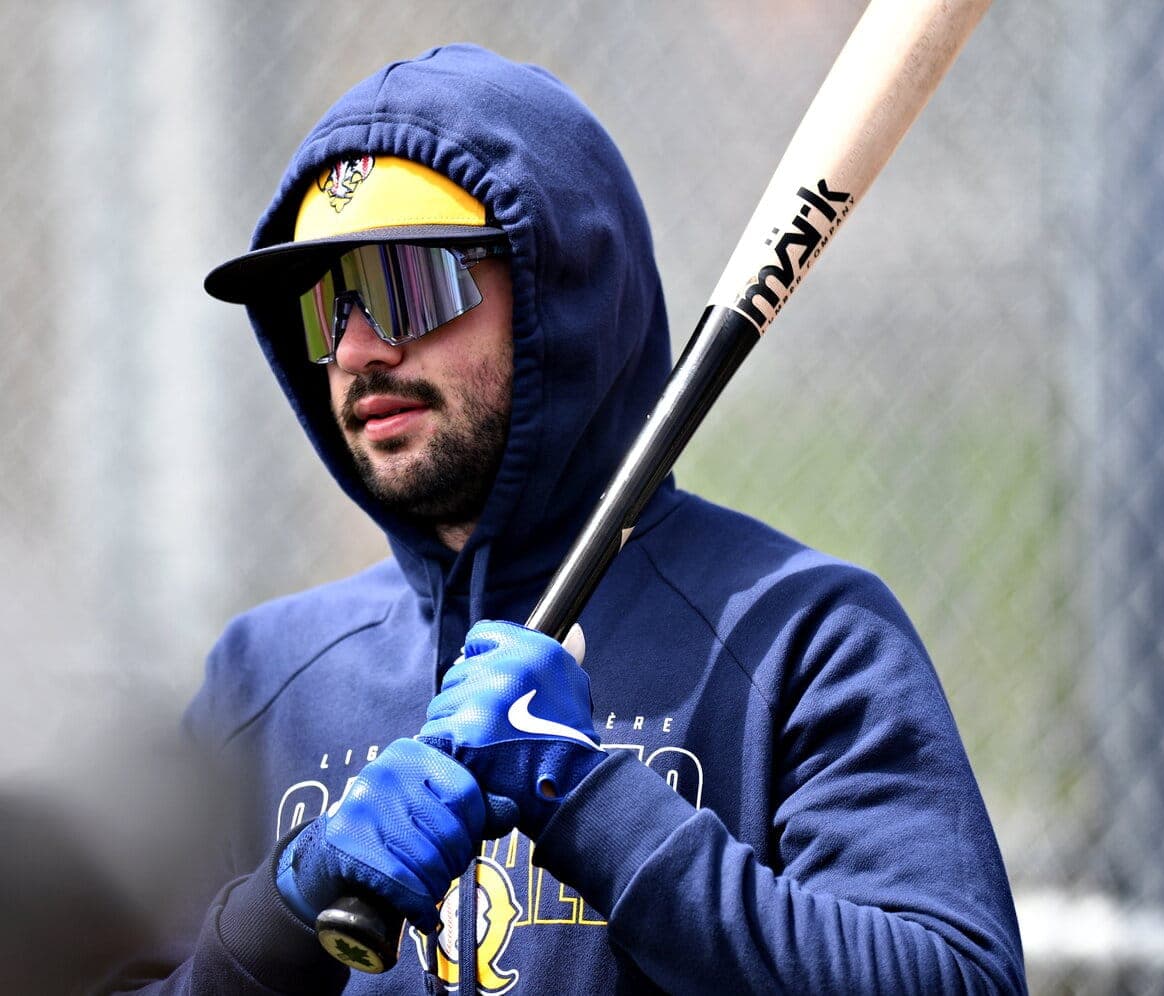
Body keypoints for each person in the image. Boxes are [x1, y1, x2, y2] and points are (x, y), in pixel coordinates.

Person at [113, 44, 1026, 994]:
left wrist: (589, 800)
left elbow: (957, 978)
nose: (355, 348)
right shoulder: (265, 679)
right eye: (324, 304)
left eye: (405, 286)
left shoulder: (799, 634)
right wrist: (276, 919)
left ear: (561, 292)